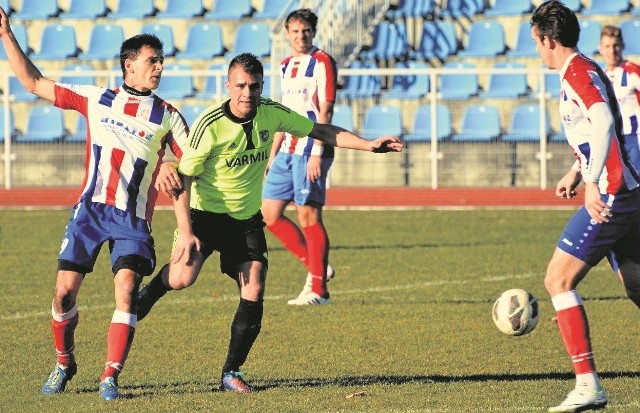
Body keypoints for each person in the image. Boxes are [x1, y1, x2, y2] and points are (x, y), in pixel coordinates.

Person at [136, 53, 403, 393]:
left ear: (262, 86)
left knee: (255, 286)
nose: (248, 93)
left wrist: (368, 144)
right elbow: (183, 180)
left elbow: (320, 129)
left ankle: (231, 373)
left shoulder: (270, 112)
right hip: (205, 217)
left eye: (255, 86)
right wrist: (186, 231)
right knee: (181, 278)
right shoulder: (209, 124)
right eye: (242, 86)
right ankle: (152, 290)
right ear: (228, 86)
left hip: (246, 220)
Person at [0, 7, 190, 401]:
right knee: (63, 294)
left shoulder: (168, 116)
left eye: (161, 62)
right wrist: (5, 33)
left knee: (126, 289)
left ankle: (110, 376)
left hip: (133, 219)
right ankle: (64, 362)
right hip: (90, 212)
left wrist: (175, 165)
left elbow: (193, 161)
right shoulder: (97, 98)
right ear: (129, 66)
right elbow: (33, 82)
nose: (159, 68)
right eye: (151, 61)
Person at [531, 1, 640, 412]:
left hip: (612, 194)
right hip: (627, 189)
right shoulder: (584, 68)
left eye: (538, 44)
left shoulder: (576, 71)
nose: (538, 52)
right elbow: (595, 133)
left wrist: (592, 182)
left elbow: (604, 122)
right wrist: (576, 172)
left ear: (549, 39)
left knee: (558, 280)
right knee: (636, 286)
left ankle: (587, 383)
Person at [261, 8, 338, 305]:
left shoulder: (323, 62)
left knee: (308, 215)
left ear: (313, 32)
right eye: (294, 31)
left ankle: (319, 290)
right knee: (270, 214)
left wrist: (318, 152)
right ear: (287, 34)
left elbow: (325, 110)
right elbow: (284, 112)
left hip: (311, 149)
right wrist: (273, 152)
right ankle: (317, 268)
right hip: (287, 149)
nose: (300, 36)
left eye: (305, 31)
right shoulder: (285, 65)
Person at [598, 25, 640, 296]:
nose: (612, 51)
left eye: (616, 46)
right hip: (611, 149)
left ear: (622, 46)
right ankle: (625, 265)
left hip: (635, 147)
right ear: (601, 49)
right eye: (607, 46)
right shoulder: (598, 76)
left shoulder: (632, 73)